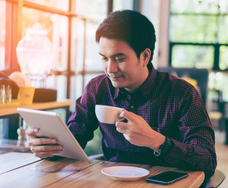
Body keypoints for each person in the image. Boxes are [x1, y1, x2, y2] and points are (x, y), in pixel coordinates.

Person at [26, 10, 217, 178]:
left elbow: (207, 161)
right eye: (104, 58)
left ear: (145, 56)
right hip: (111, 181)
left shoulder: (182, 94)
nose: (110, 69)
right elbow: (74, 139)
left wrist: (156, 141)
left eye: (119, 59)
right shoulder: (97, 88)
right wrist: (47, 146)